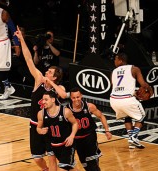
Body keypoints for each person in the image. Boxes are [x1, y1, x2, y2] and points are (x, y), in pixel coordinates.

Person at [14, 26, 67, 171]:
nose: (46, 72)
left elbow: (63, 95)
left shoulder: (59, 88)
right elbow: (29, 59)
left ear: (55, 77)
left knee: (52, 156)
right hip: (35, 123)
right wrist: (21, 40)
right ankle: (46, 170)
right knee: (37, 157)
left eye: (49, 72)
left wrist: (51, 84)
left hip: (51, 125)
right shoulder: (39, 80)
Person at [109, 52, 153, 149]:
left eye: (115, 59)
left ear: (120, 60)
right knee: (141, 117)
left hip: (113, 100)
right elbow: (143, 84)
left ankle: (131, 141)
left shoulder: (113, 72)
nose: (114, 61)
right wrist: (150, 90)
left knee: (127, 116)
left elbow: (114, 86)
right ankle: (133, 136)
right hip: (126, 99)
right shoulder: (134, 69)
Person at [67, 87, 112, 171]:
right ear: (70, 98)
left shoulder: (89, 106)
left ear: (81, 96)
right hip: (77, 140)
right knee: (85, 164)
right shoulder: (67, 110)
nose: (76, 99)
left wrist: (107, 130)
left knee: (93, 164)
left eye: (78, 97)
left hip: (89, 138)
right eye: (73, 97)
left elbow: (101, 116)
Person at [37, 91, 78, 171]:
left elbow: (75, 123)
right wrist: (40, 131)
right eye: (43, 100)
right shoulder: (41, 114)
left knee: (63, 169)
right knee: (70, 168)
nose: (43, 102)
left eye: (46, 99)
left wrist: (72, 136)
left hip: (66, 145)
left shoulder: (65, 111)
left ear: (53, 100)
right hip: (52, 143)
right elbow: (38, 128)